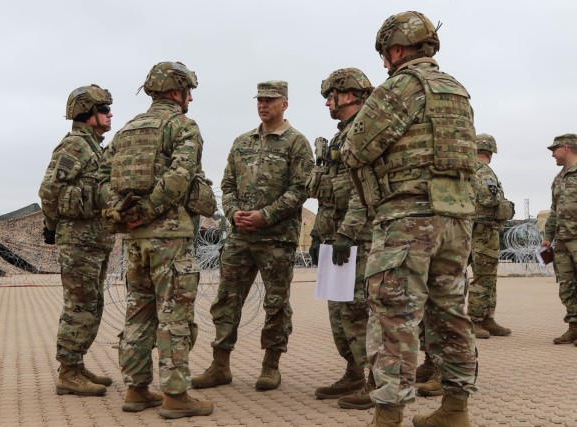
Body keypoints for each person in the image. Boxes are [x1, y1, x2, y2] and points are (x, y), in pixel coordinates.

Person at [341, 11, 478, 426]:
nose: (385, 61)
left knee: (395, 318)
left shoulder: (401, 86)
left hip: (408, 219)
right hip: (456, 218)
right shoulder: (457, 90)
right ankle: (455, 410)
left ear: (397, 49)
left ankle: (388, 415)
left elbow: (355, 148)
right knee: (451, 314)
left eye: (386, 53)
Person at [98, 61, 213, 418]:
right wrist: (148, 210)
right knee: (174, 318)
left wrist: (120, 209)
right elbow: (181, 175)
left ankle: (136, 389)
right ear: (177, 92)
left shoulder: (127, 130)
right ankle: (176, 395)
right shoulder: (182, 126)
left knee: (139, 313)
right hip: (170, 239)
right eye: (188, 91)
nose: (190, 98)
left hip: (134, 239)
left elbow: (101, 175)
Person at [192, 80, 314, 392]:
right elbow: (227, 182)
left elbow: (300, 189)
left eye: (270, 100)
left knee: (276, 304)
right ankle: (220, 365)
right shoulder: (242, 141)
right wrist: (232, 213)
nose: (264, 105)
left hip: (276, 240)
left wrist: (266, 215)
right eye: (260, 99)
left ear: (284, 103)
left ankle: (271, 366)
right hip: (240, 238)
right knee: (226, 301)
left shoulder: (296, 143)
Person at [305, 68, 376, 409]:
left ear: (348, 95)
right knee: (339, 311)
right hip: (337, 235)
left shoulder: (366, 133)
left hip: (359, 237)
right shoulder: (340, 136)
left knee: (360, 310)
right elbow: (328, 195)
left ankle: (376, 380)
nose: (327, 104)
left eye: (331, 97)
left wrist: (347, 233)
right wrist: (320, 234)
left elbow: (364, 192)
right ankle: (353, 371)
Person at [39, 84, 116, 397]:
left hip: (95, 240)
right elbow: (48, 191)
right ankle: (68, 371)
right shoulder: (75, 146)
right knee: (79, 305)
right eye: (104, 110)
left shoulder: (92, 146)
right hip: (79, 242)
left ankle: (76, 363)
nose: (110, 115)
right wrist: (52, 225)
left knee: (92, 304)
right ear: (88, 114)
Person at [468, 133, 514, 338]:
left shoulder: (470, 170)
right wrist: (507, 207)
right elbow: (488, 199)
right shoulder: (484, 172)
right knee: (484, 278)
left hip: (474, 229)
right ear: (490, 152)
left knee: (488, 277)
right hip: (484, 230)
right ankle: (475, 320)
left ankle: (487, 318)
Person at [541, 133, 577, 346]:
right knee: (567, 285)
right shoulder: (560, 177)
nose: (552, 154)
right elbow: (554, 211)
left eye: (554, 150)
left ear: (566, 148)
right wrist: (547, 237)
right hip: (562, 241)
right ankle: (574, 327)